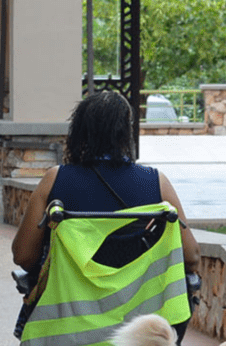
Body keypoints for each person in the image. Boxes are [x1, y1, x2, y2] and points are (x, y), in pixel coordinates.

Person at [12, 90, 200, 305]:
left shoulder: (55, 180)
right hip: (138, 316)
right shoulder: (156, 183)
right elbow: (191, 256)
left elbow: (23, 256)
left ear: (78, 132)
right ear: (126, 132)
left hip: (67, 315)